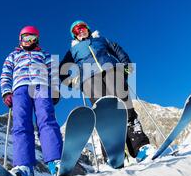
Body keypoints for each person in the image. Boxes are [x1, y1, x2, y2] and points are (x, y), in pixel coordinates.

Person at [59, 20, 153, 162]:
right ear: (74, 36)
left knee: (125, 106)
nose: (80, 31)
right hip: (89, 80)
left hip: (112, 71)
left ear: (88, 29)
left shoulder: (100, 39)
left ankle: (140, 147)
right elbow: (62, 70)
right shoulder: (73, 50)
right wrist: (73, 82)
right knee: (104, 113)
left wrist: (126, 65)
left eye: (82, 28)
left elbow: (117, 49)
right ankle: (113, 154)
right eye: (76, 31)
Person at [0, 26, 62, 176]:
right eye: (26, 38)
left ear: (37, 40)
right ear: (20, 40)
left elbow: (53, 73)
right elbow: (6, 74)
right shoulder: (13, 55)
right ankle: (24, 167)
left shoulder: (44, 54)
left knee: (46, 119)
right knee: (21, 124)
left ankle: (56, 162)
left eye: (33, 38)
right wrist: (7, 92)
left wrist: (55, 90)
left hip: (41, 86)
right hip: (20, 89)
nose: (29, 41)